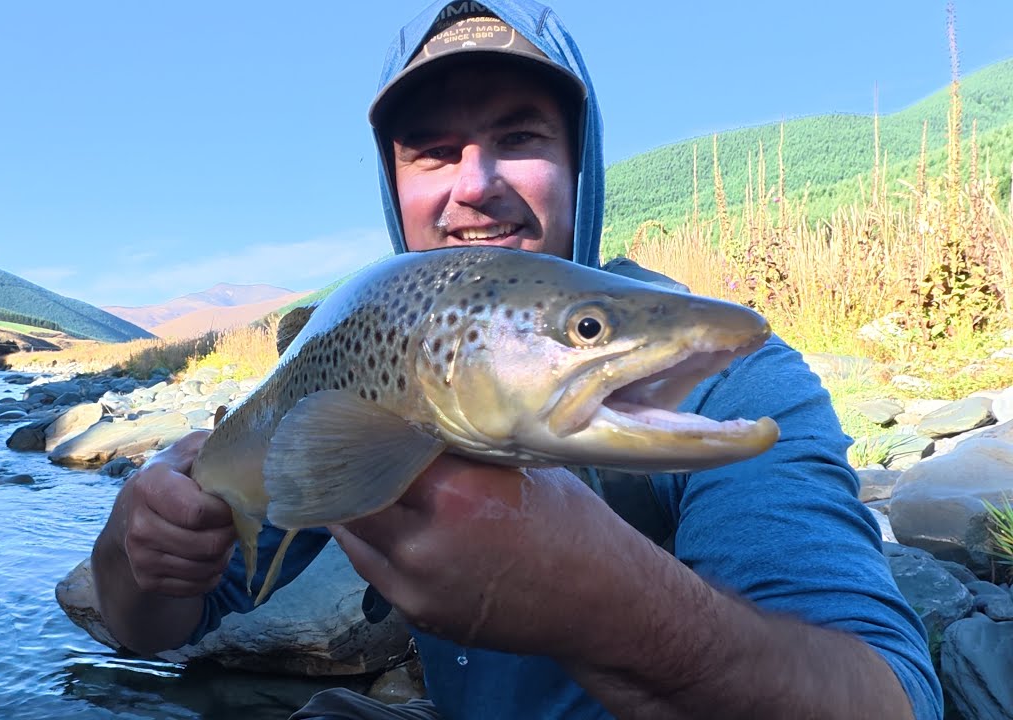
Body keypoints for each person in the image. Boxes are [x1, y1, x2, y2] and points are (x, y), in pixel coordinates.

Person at [90, 1, 944, 718]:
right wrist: (138, 551)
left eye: (520, 135)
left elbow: (897, 695)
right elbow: (154, 626)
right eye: (432, 151)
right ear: (393, 187)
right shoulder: (354, 372)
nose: (476, 182)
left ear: (582, 164)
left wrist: (613, 611)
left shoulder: (732, 383)